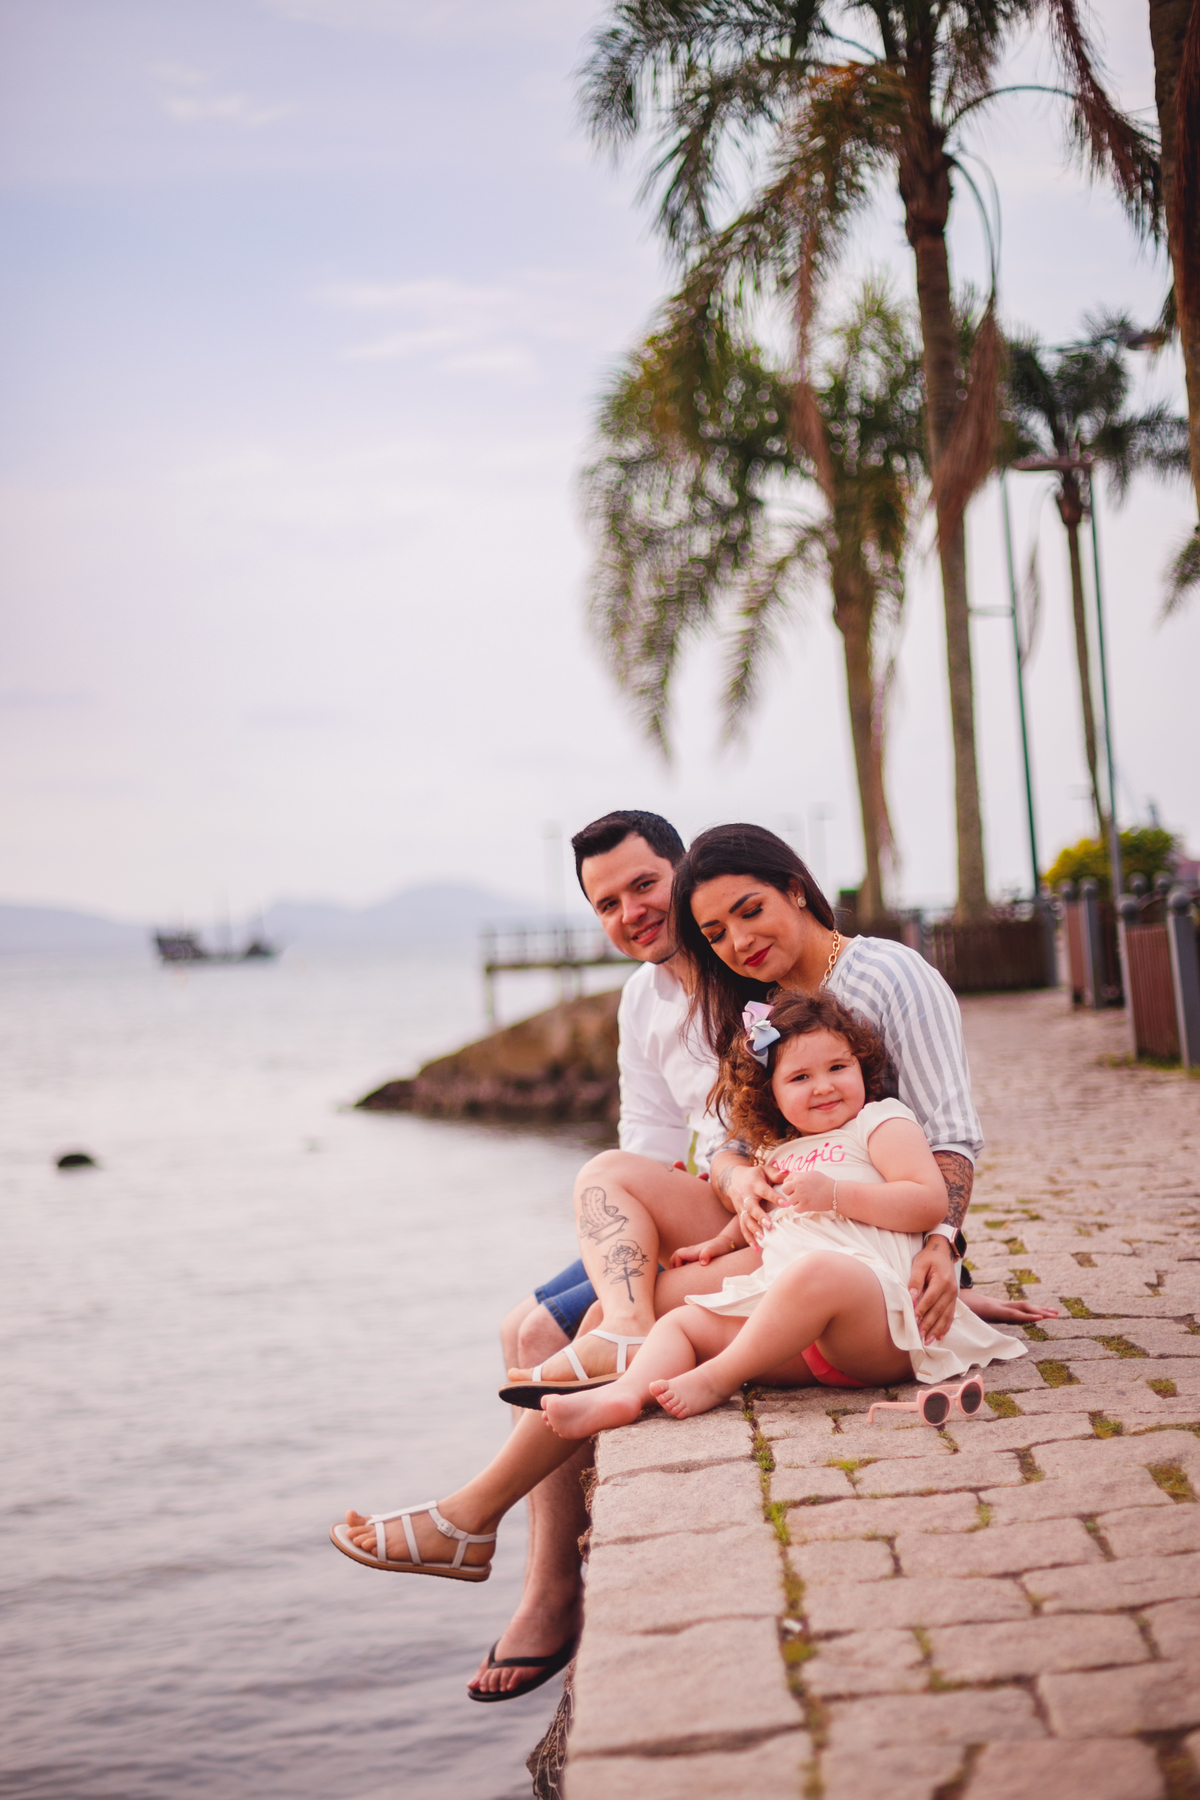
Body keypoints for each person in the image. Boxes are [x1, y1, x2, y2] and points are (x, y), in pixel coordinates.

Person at [328, 992, 1024, 1584]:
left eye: (838, 1068)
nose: (823, 1087)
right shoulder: (776, 1154)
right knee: (680, 1320)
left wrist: (839, 1194)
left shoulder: (882, 1122)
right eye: (800, 1078)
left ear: (865, 1070)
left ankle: (715, 1380)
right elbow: (766, 1227)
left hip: (872, 1320)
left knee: (818, 1275)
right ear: (772, 1095)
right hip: (787, 1325)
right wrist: (723, 1239)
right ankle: (620, 1400)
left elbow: (926, 1203)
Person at [507, 823, 1049, 1410]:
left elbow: (950, 1136)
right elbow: (732, 1141)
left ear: (794, 889)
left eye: (750, 911)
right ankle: (482, 1501)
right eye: (716, 933)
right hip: (779, 1223)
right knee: (608, 1194)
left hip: (872, 1239)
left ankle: (508, 1480)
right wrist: (739, 1181)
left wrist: (943, 1248)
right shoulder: (753, 1004)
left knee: (589, 1317)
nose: (739, 942)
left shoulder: (891, 975)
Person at [472, 808, 731, 1700]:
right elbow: (648, 1137)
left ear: (683, 871)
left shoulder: (740, 966)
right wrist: (627, 1245)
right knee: (525, 1327)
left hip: (752, 1214)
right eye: (607, 903)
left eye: (644, 886)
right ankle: (542, 1579)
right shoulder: (640, 998)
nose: (631, 913)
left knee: (565, 1327)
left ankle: (550, 1596)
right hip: (679, 1206)